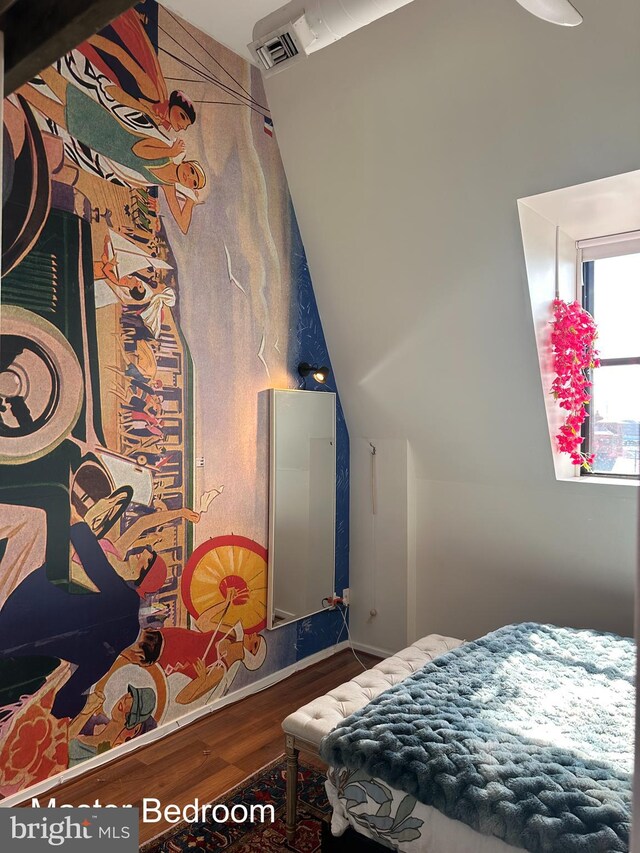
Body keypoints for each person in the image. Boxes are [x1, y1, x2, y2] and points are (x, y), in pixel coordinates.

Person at [0, 520, 167, 719]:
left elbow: (90, 554)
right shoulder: (104, 660)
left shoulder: (128, 601)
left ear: (148, 630)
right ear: (138, 656)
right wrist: (87, 703)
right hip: (14, 641)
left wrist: (79, 529)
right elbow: (63, 702)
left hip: (30, 597)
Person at [20, 67, 205, 234]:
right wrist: (170, 153)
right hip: (105, 124)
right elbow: (138, 149)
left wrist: (190, 202)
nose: (189, 178)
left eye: (193, 182)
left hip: (98, 143)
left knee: (39, 102)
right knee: (52, 78)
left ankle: (11, 82)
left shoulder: (168, 185)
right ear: (186, 163)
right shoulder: (167, 151)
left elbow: (182, 225)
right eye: (192, 172)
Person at [123, 623, 266, 705]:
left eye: (255, 643)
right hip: (170, 636)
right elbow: (203, 620)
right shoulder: (230, 633)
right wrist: (225, 601)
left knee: (125, 649)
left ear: (250, 654)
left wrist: (201, 678)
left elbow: (182, 699)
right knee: (129, 632)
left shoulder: (219, 670)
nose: (254, 634)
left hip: (164, 657)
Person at [68, 683, 156, 766]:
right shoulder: (95, 723)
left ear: (136, 729)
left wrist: (85, 713)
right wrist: (87, 711)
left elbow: (61, 751)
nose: (127, 698)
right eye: (131, 694)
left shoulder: (96, 754)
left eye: (134, 704)